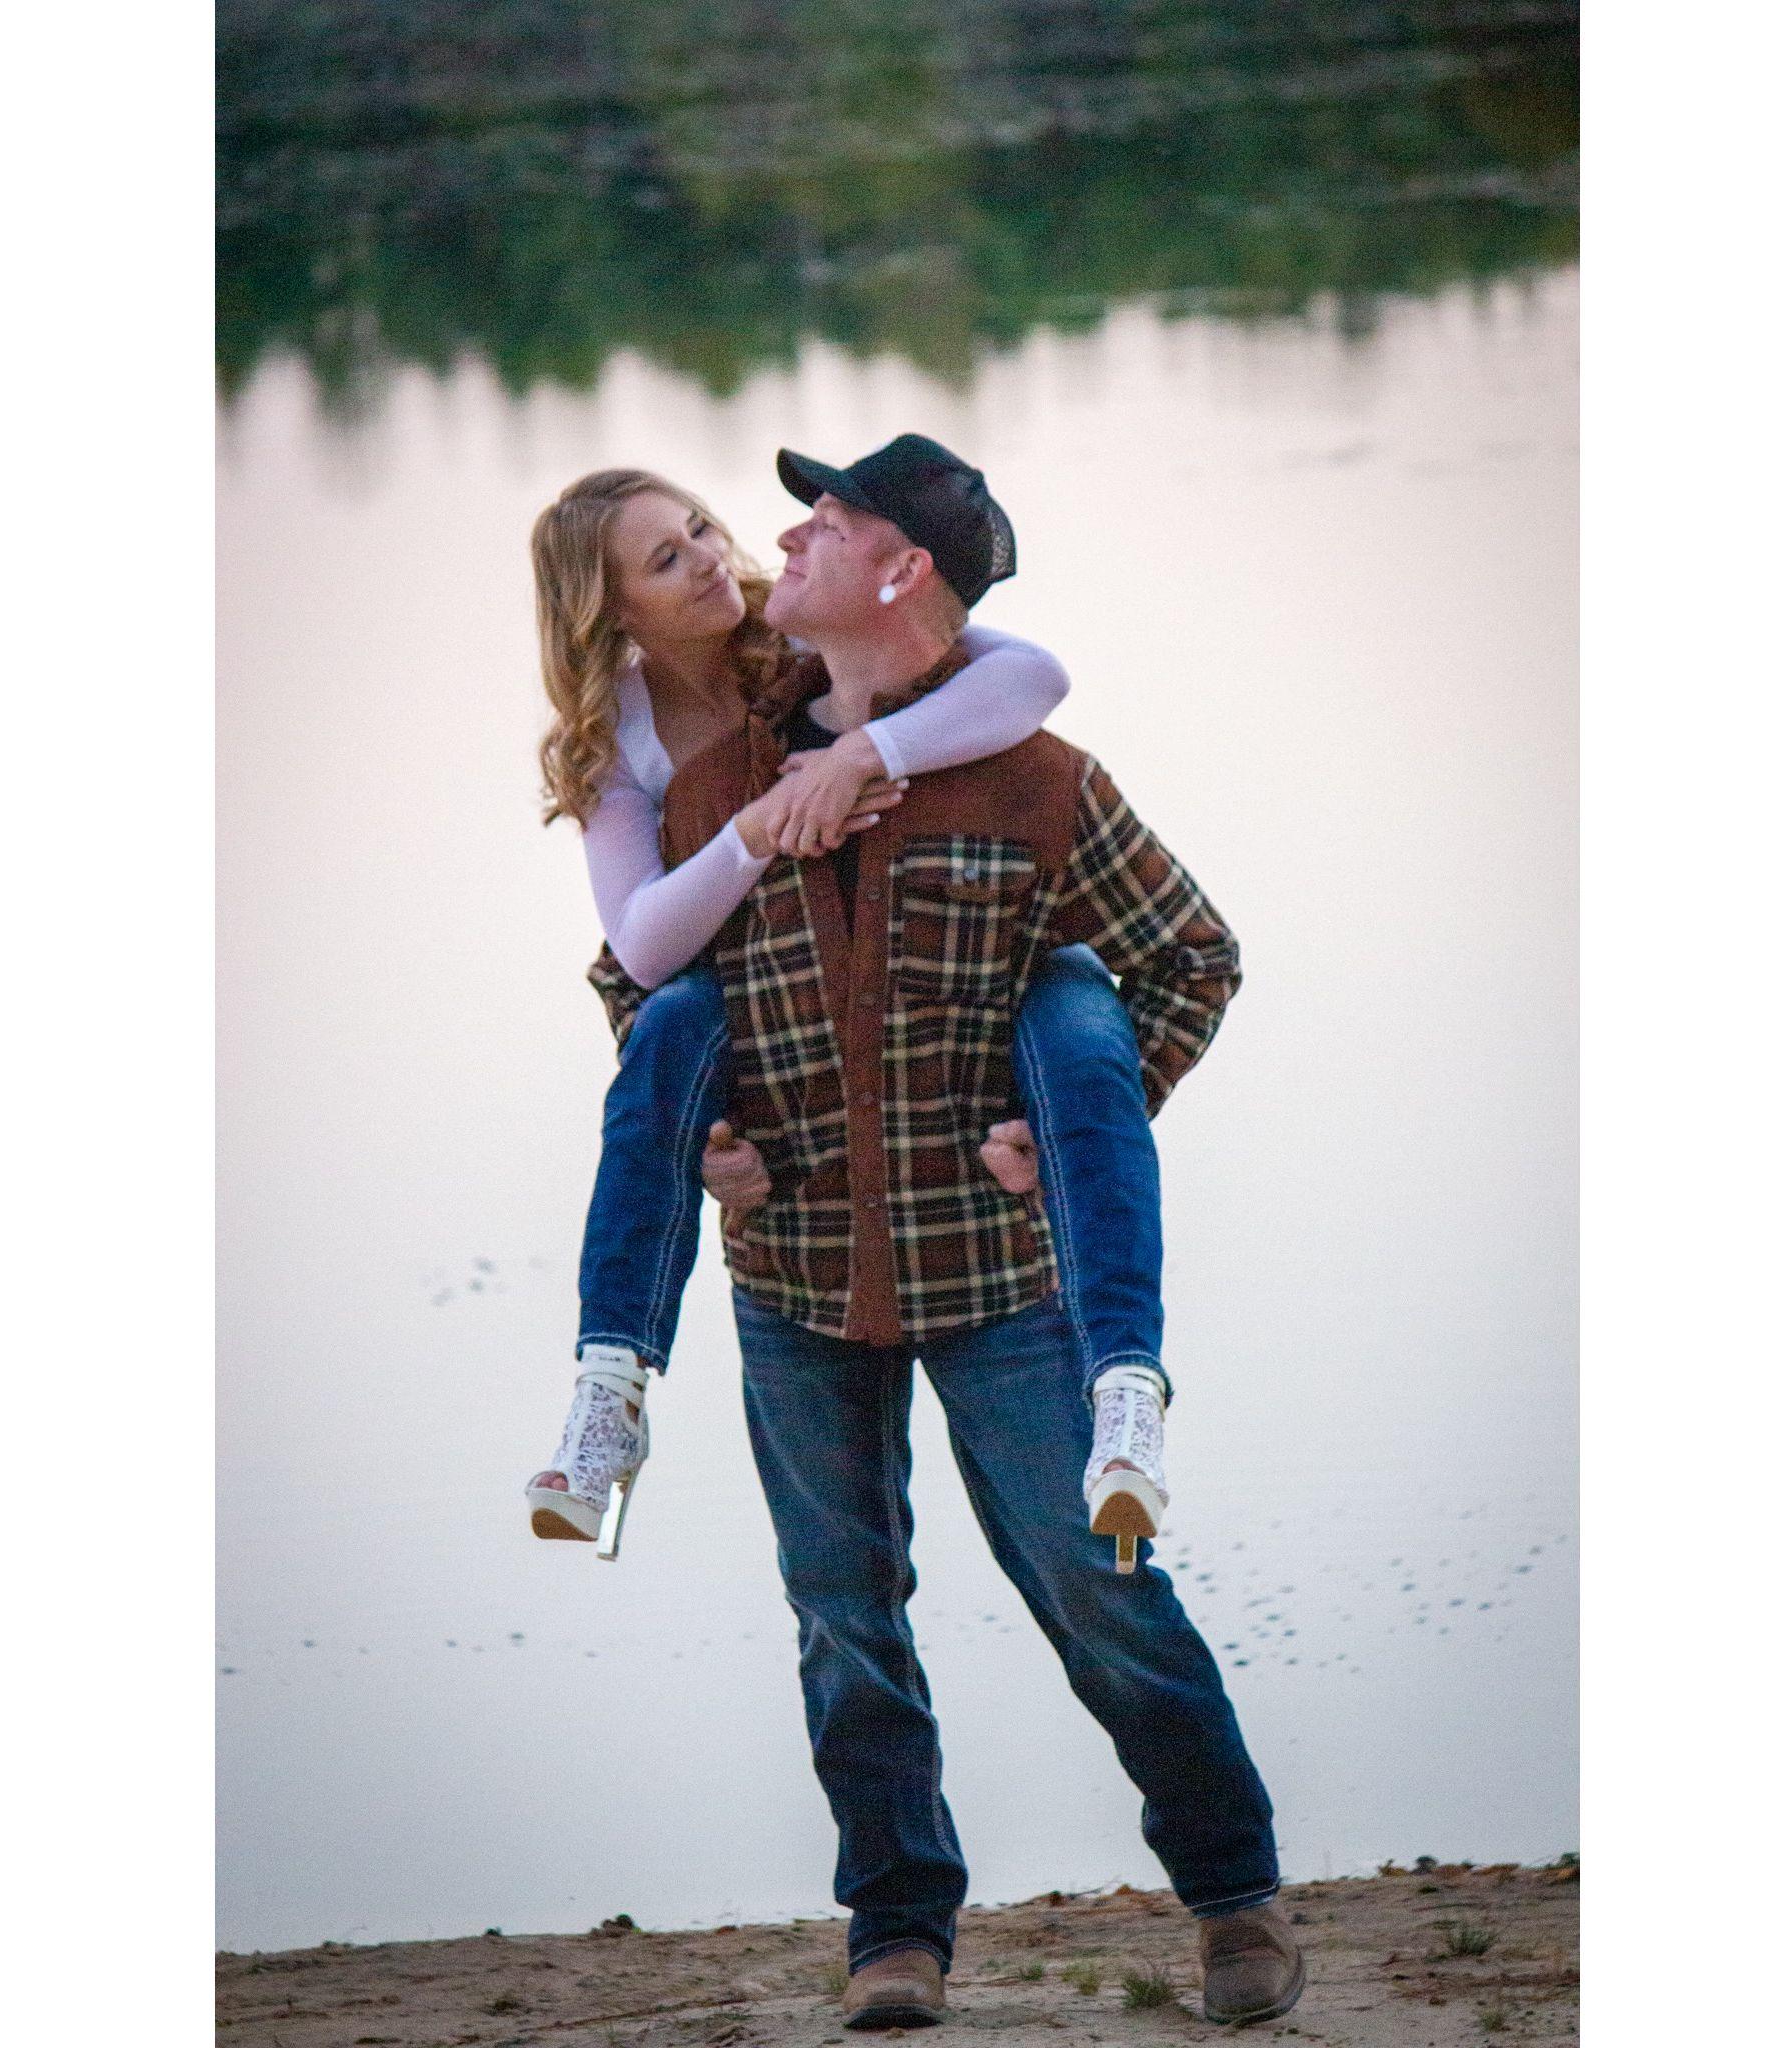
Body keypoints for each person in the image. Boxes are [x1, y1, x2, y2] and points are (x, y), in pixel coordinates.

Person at [606, 434, 1306, 2028]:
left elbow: (1192, 957)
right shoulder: (722, 789)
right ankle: (896, 1929)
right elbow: (630, 985)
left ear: (901, 568)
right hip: (795, 1282)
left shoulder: (1041, 784)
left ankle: (1235, 1899)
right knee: (843, 1618)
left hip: (999, 1281)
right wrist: (705, 1139)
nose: (791, 536)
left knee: (1100, 1590)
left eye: (830, 518)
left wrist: (1073, 1133)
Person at [522, 463, 1175, 1567]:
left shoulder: (799, 636)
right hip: (773, 1116)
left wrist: (866, 752)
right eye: (666, 559)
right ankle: (610, 1384)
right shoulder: (623, 741)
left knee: (1072, 1002)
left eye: (699, 528)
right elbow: (636, 951)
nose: (708, 561)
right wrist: (761, 826)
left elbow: (1033, 676)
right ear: (608, 611)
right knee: (671, 1021)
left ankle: (1128, 1383)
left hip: (949, 1163)